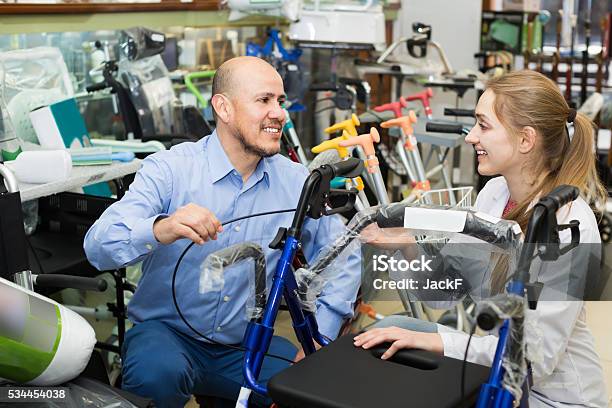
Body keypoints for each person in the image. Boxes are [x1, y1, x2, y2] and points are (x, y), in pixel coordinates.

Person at [84, 56, 360, 408]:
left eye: (280, 101)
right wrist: (160, 228)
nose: (279, 113)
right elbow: (97, 245)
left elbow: (343, 252)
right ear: (223, 107)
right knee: (157, 374)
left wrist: (320, 337)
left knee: (313, 391)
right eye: (264, 101)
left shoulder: (294, 181)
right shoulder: (171, 169)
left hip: (246, 343)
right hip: (168, 337)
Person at [354, 70, 609, 407]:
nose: (471, 136)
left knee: (408, 341)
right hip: (498, 369)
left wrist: (438, 342)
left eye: (483, 125)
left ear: (525, 140)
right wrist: (408, 245)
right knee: (392, 329)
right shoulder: (495, 194)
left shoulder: (569, 224)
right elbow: (447, 295)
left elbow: (534, 361)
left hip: (550, 396)